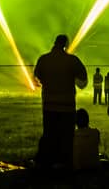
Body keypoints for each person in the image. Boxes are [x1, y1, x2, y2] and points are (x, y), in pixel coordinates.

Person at [31, 33, 88, 170]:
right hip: (67, 105)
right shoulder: (72, 60)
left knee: (50, 133)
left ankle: (48, 160)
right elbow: (83, 78)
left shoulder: (44, 59)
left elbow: (37, 76)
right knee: (66, 135)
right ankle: (65, 161)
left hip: (49, 104)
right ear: (66, 44)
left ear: (54, 42)